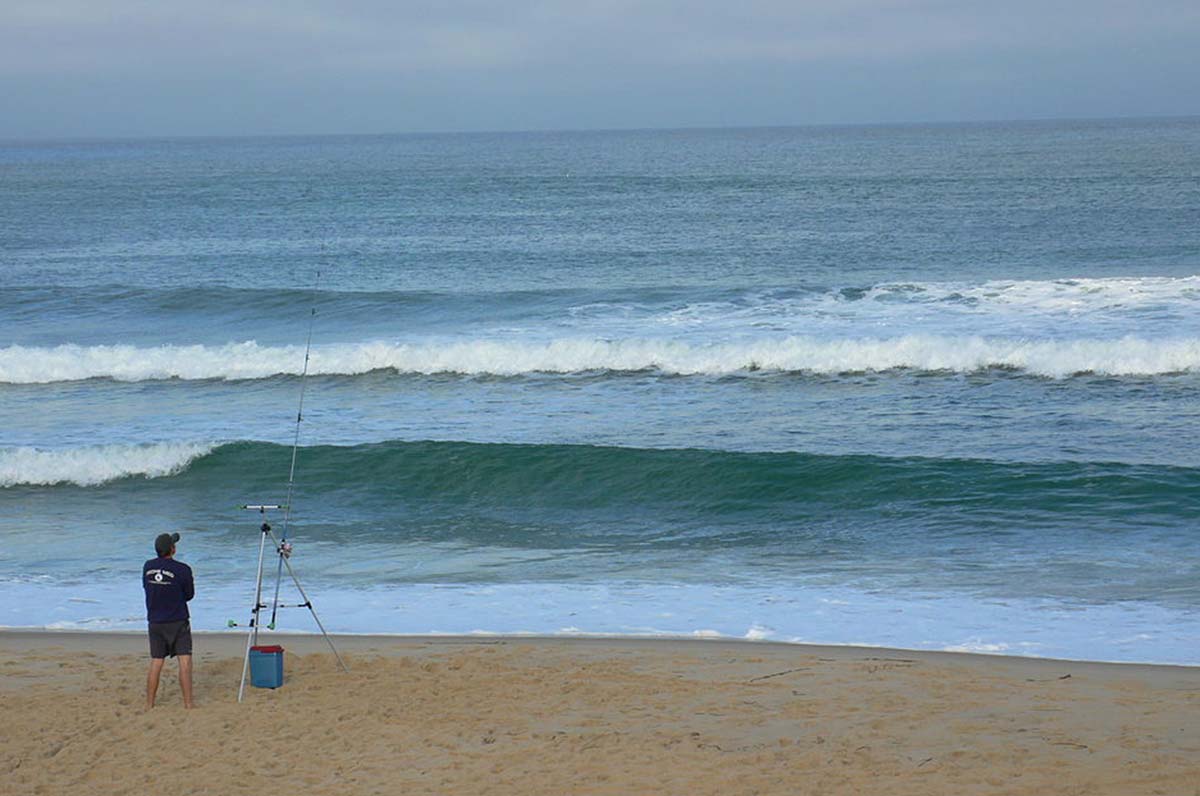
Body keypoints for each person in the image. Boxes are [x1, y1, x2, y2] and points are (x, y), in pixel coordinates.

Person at [143, 531, 195, 709]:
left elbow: (148, 588)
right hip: (177, 620)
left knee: (157, 661)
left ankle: (150, 704)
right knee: (185, 661)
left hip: (155, 621)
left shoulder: (147, 567)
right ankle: (188, 704)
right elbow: (189, 595)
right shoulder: (183, 569)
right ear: (172, 549)